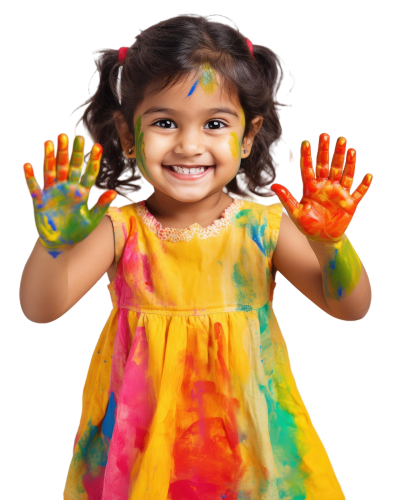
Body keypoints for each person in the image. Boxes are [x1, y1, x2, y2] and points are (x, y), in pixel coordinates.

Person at [20, 13, 372, 500]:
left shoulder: (263, 228)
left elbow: (350, 309)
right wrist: (52, 244)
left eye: (215, 123)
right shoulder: (122, 229)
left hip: (251, 449)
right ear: (127, 134)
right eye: (164, 122)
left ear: (248, 136)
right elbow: (41, 311)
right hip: (142, 450)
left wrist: (331, 244)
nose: (189, 145)